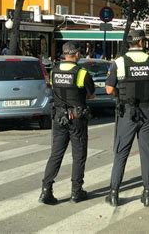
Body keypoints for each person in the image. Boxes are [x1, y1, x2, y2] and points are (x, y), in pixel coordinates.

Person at [104, 30, 149, 207]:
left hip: (127, 111)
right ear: (142, 42)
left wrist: (121, 95)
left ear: (130, 43)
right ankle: (148, 194)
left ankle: (114, 194)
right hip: (147, 110)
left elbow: (109, 89)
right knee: (147, 152)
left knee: (121, 152)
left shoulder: (119, 62)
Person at [39, 42, 95, 205]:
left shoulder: (54, 71)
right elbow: (91, 96)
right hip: (76, 118)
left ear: (64, 54)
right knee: (78, 155)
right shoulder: (82, 73)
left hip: (58, 117)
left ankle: (46, 191)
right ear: (76, 54)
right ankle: (76, 192)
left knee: (56, 154)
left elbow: (53, 89)